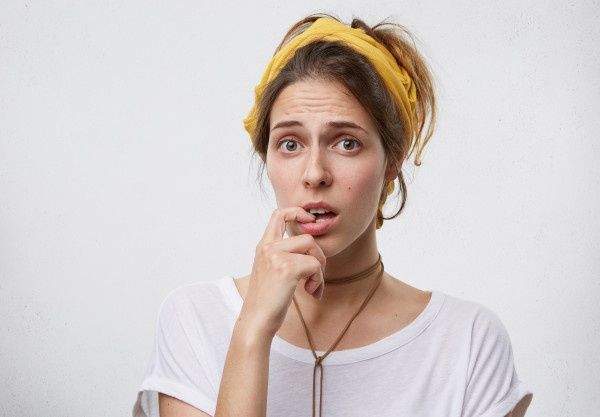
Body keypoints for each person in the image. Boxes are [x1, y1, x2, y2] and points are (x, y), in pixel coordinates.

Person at [132, 13, 533, 417]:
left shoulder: (467, 342)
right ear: (266, 158)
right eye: (290, 144)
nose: (314, 174)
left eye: (346, 143)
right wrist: (252, 331)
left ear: (391, 162)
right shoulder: (196, 319)